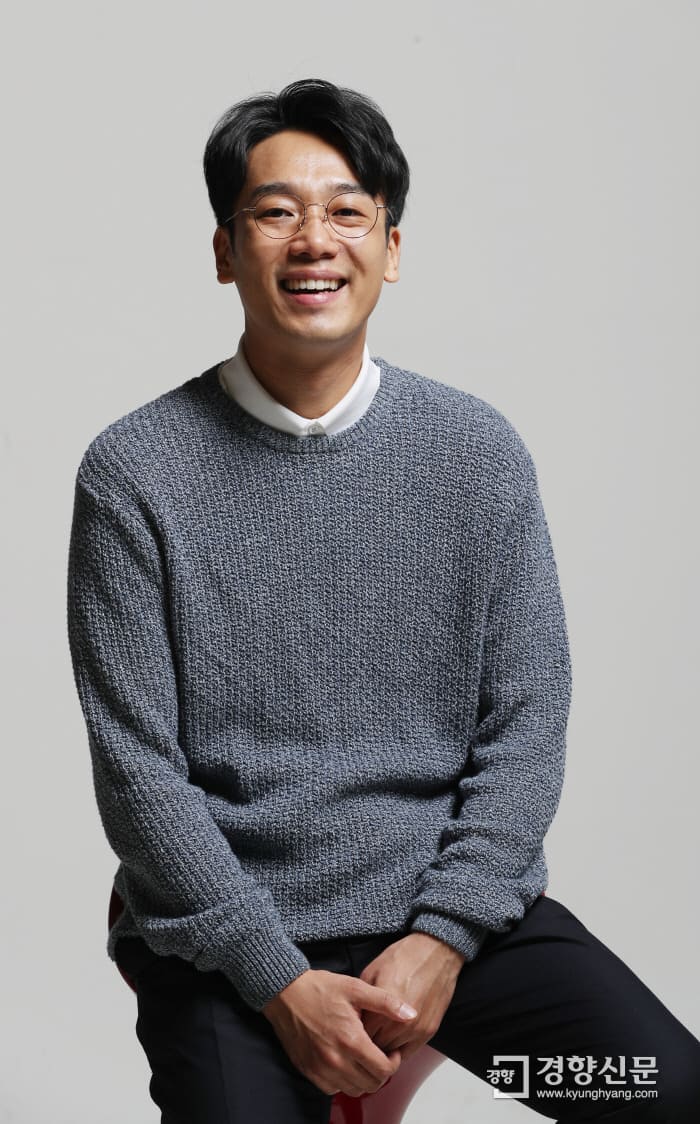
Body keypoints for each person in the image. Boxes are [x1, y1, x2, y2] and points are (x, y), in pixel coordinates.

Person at [66, 78, 700, 1122]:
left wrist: (444, 936)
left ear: (391, 248)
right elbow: (138, 776)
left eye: (347, 211)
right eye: (276, 212)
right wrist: (278, 980)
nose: (314, 240)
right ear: (225, 250)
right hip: (231, 951)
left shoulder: (477, 454)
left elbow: (528, 720)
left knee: (664, 1092)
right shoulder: (134, 471)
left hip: (453, 931)